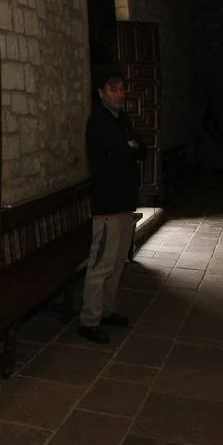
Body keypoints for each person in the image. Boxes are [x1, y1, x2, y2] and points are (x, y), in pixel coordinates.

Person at [81, 70, 145, 344]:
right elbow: (123, 152)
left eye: (121, 88)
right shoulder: (98, 122)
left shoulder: (123, 120)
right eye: (113, 88)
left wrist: (130, 147)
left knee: (118, 263)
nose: (120, 93)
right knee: (102, 264)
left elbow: (140, 148)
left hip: (125, 202)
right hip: (108, 204)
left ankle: (107, 311)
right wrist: (129, 147)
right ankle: (89, 320)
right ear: (101, 93)